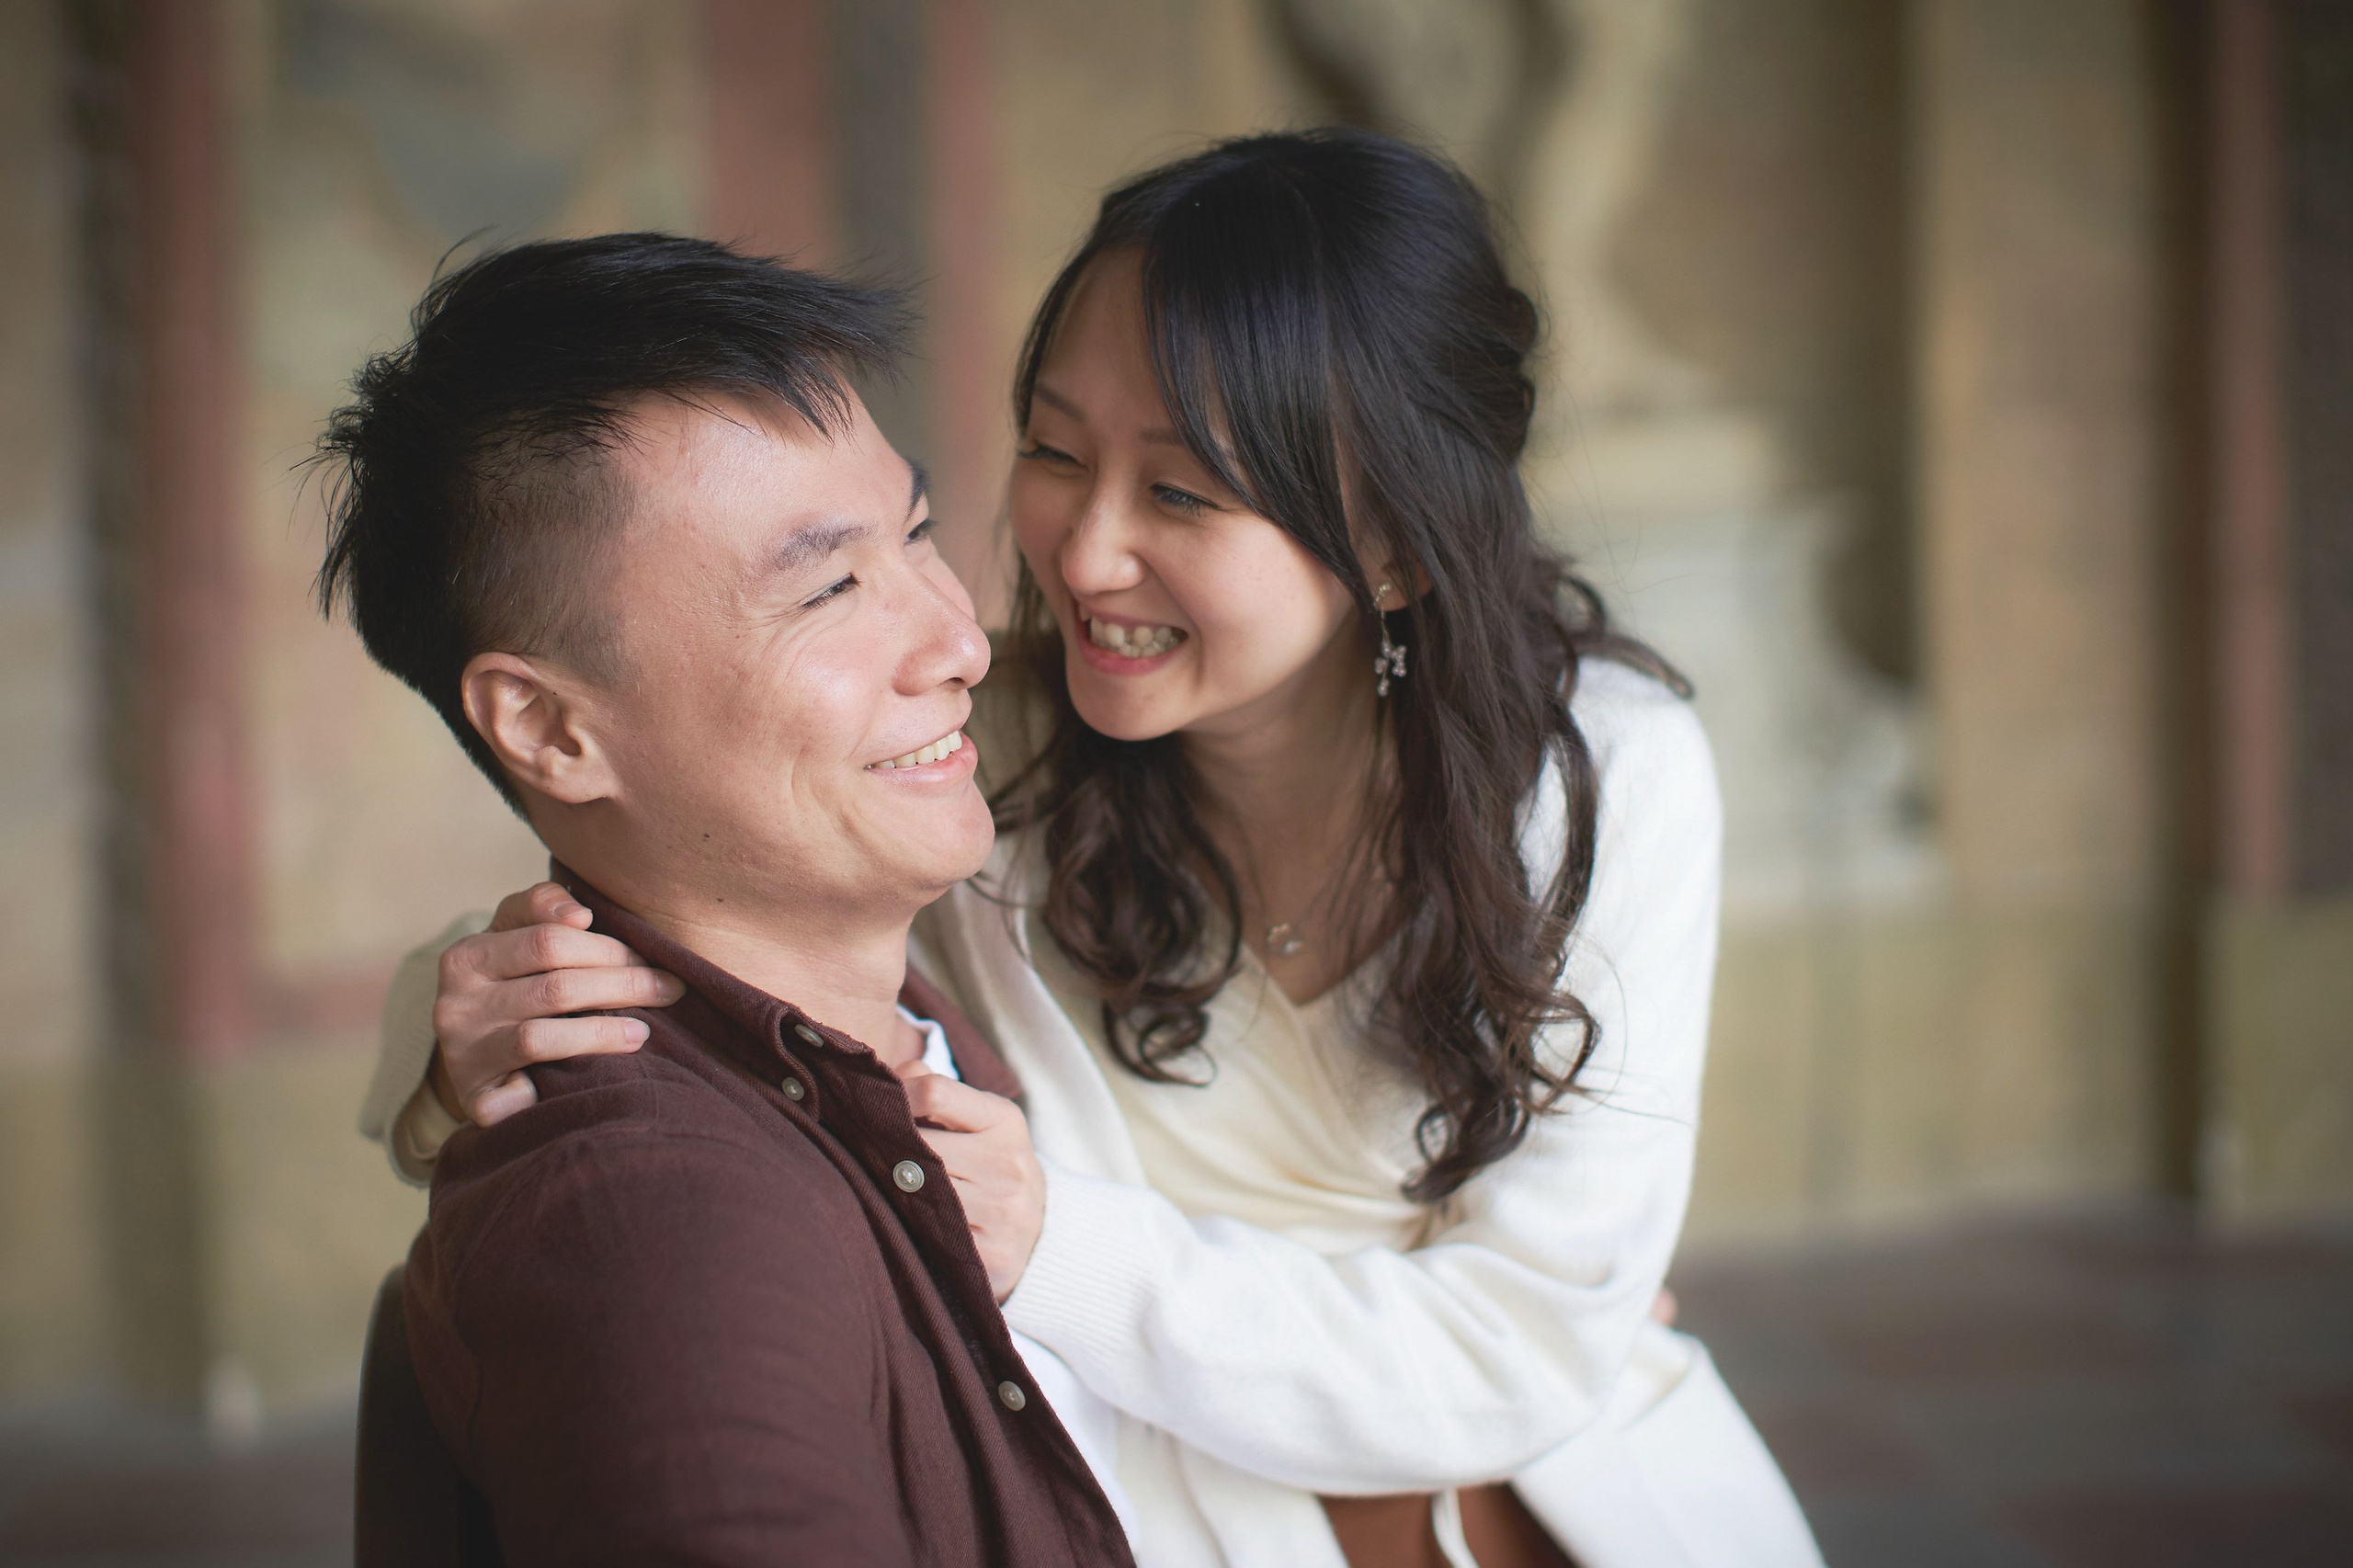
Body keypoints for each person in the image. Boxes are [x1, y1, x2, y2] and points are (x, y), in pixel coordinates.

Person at [365, 133, 1823, 1568]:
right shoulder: (988, 744)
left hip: (1578, 1495)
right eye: (1056, 452)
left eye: (1182, 492)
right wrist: (453, 1034)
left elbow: (1530, 1341)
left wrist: (1068, 1247)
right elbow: (673, 868)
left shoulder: (1594, 775)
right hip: (1186, 1511)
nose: (1082, 553)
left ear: (1392, 545)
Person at [317, 233, 1135, 1566]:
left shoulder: (923, 973)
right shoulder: (657, 1220)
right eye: (828, 587)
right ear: (549, 727)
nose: (961, 640)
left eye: (916, 533)